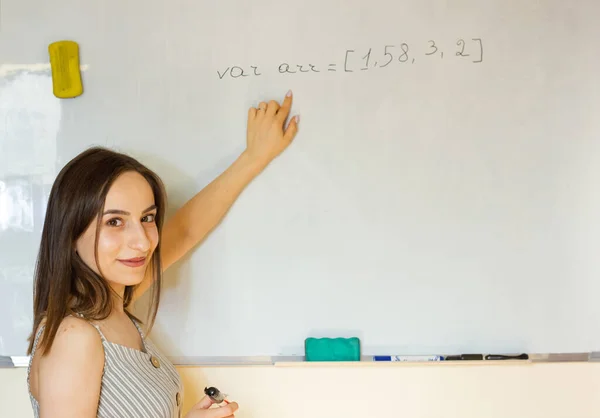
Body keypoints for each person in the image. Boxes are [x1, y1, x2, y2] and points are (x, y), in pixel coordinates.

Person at [25, 91, 299, 418]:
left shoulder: (112, 306)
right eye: (114, 222)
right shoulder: (74, 338)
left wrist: (255, 156)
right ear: (70, 233)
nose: (142, 242)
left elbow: (185, 231)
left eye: (147, 218)